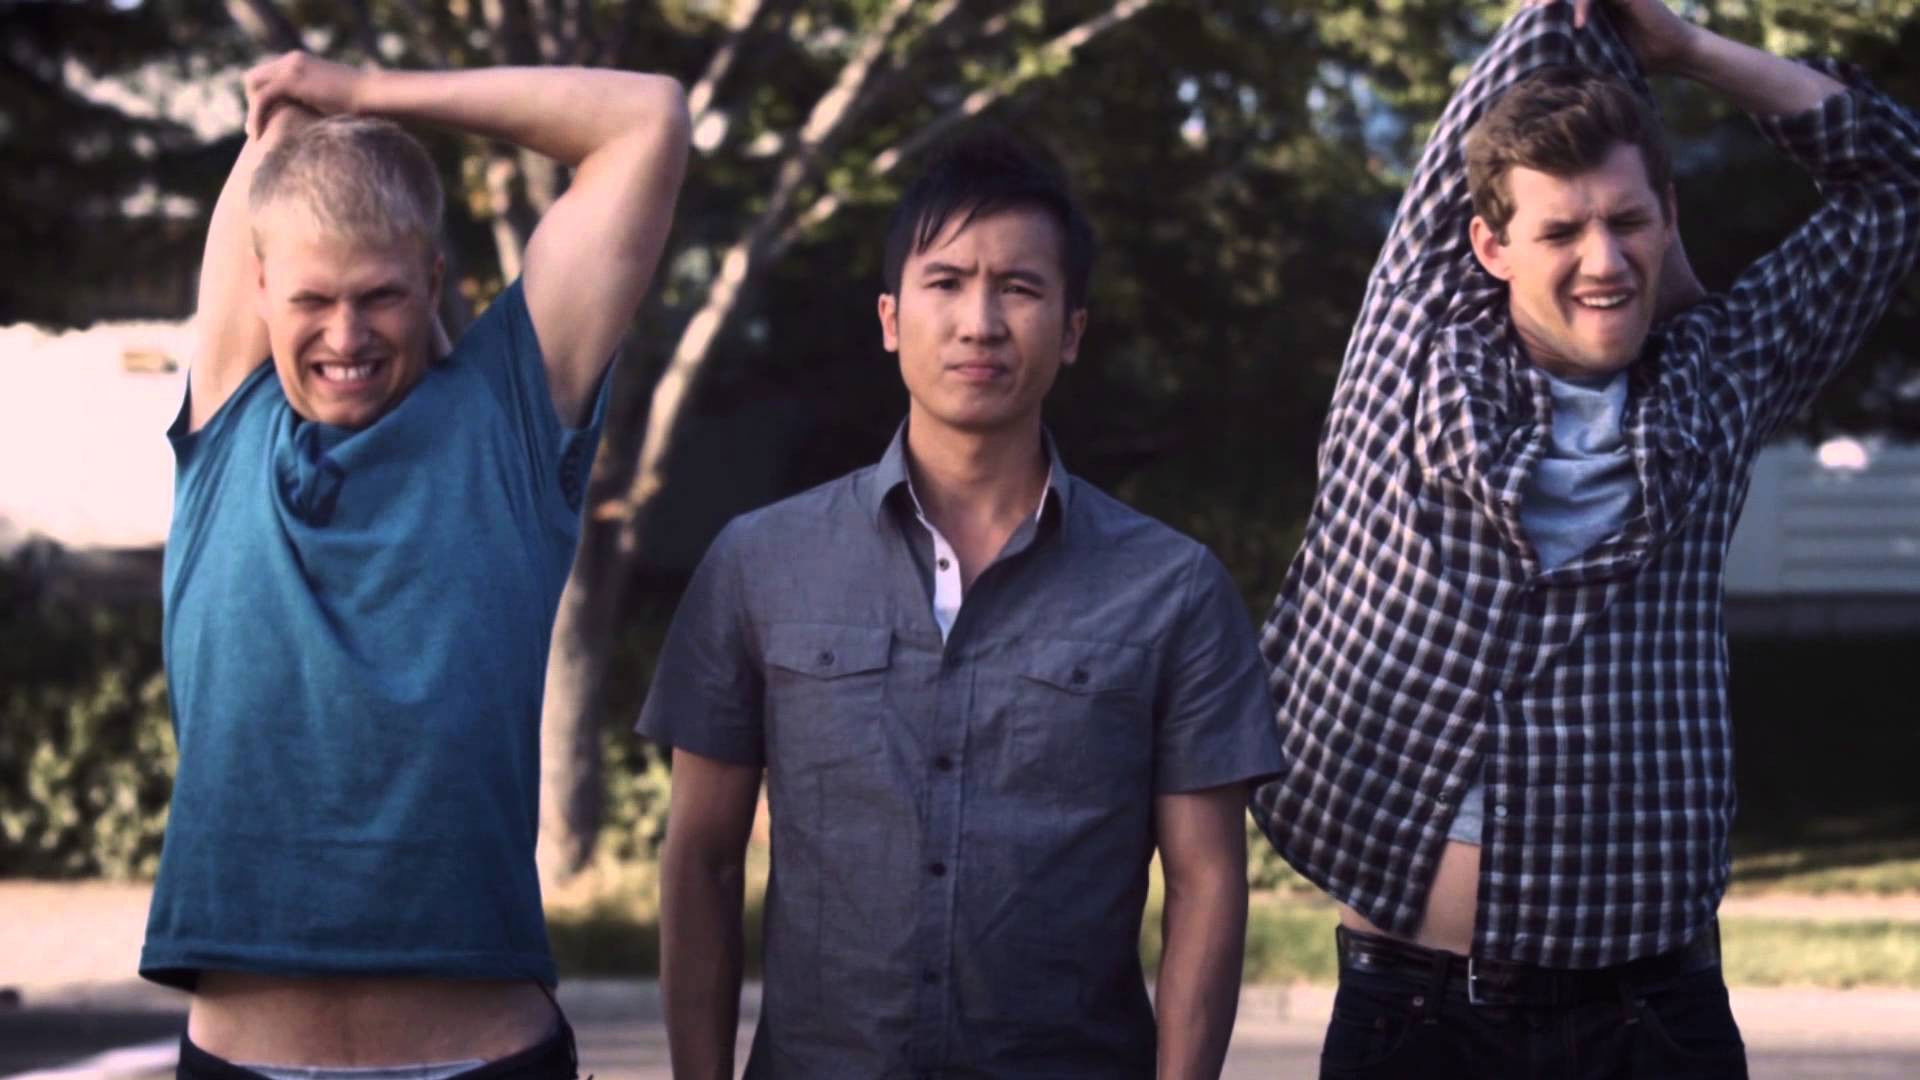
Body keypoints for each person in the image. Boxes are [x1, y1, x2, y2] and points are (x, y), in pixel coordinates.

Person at [1251, 0, 1920, 1076]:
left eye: (1629, 221)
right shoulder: (1414, 343)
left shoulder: (1725, 372)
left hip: (1648, 1015)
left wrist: (1690, 49)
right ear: (1491, 246)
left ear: (1668, 218)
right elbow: (1531, 50)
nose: (1602, 259)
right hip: (1414, 1014)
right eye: (1560, 231)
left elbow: (1896, 178)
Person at [639, 131, 1285, 1078]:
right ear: (891, 317)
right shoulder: (759, 562)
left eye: (1019, 289)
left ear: (1072, 330)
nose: (979, 323)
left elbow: (1207, 884)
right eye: (945, 283)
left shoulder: (1172, 589)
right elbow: (701, 860)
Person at [141, 48, 688, 1080]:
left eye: (380, 296)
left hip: (480, 1060)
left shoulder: (508, 417)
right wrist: (311, 109)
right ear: (260, 291)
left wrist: (369, 93)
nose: (344, 334)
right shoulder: (230, 419)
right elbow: (281, 126)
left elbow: (645, 118)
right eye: (312, 299)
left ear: (434, 280)